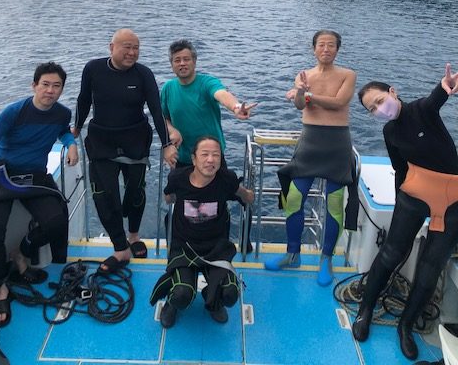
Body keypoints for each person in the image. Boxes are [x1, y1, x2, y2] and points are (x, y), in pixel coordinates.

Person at [352, 64, 458, 361]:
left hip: (451, 199)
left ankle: (406, 326)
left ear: (392, 92)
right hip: (414, 193)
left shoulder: (421, 111)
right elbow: (399, 167)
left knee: (430, 268)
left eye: (379, 101)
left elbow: (435, 99)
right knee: (391, 253)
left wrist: (445, 87)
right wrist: (401, 199)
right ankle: (365, 309)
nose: (379, 109)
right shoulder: (389, 131)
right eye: (372, 109)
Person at [0, 62, 77, 328]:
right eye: (45, 84)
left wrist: (71, 144)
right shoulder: (14, 112)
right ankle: (0, 285)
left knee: (57, 221)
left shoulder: (62, 113)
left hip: (35, 176)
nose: (50, 90)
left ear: (61, 89)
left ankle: (23, 252)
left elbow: (63, 130)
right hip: (3, 174)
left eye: (56, 86)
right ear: (34, 85)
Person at [73, 29, 177, 272]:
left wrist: (166, 144)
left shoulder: (143, 74)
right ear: (111, 47)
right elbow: (83, 100)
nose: (132, 52)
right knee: (105, 194)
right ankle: (120, 247)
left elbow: (156, 109)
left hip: (135, 139)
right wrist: (76, 127)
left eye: (136, 48)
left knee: (135, 192)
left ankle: (133, 235)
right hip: (102, 141)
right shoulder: (93, 69)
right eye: (126, 47)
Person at [265, 30, 357, 287]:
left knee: (334, 204)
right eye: (321, 45)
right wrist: (300, 93)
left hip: (337, 143)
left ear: (337, 49)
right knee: (294, 198)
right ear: (313, 48)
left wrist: (308, 95)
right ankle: (292, 254)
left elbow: (339, 102)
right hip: (310, 142)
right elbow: (299, 105)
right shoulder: (304, 75)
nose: (326, 49)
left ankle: (326, 259)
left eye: (331, 45)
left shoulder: (348, 75)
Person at [149, 136, 254, 328]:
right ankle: (171, 303)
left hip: (216, 248)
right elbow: (168, 197)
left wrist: (248, 195)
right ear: (194, 159)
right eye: (205, 154)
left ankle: (213, 299)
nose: (210, 160)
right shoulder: (178, 178)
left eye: (216, 155)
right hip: (185, 247)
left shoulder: (227, 179)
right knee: (182, 294)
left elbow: (246, 196)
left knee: (230, 293)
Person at [160, 39, 256, 168]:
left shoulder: (207, 83)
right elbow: (162, 117)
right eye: (177, 60)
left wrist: (236, 107)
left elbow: (221, 94)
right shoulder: (168, 88)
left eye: (186, 59)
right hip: (183, 158)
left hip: (211, 157)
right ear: (171, 65)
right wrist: (172, 130)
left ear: (194, 62)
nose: (182, 63)